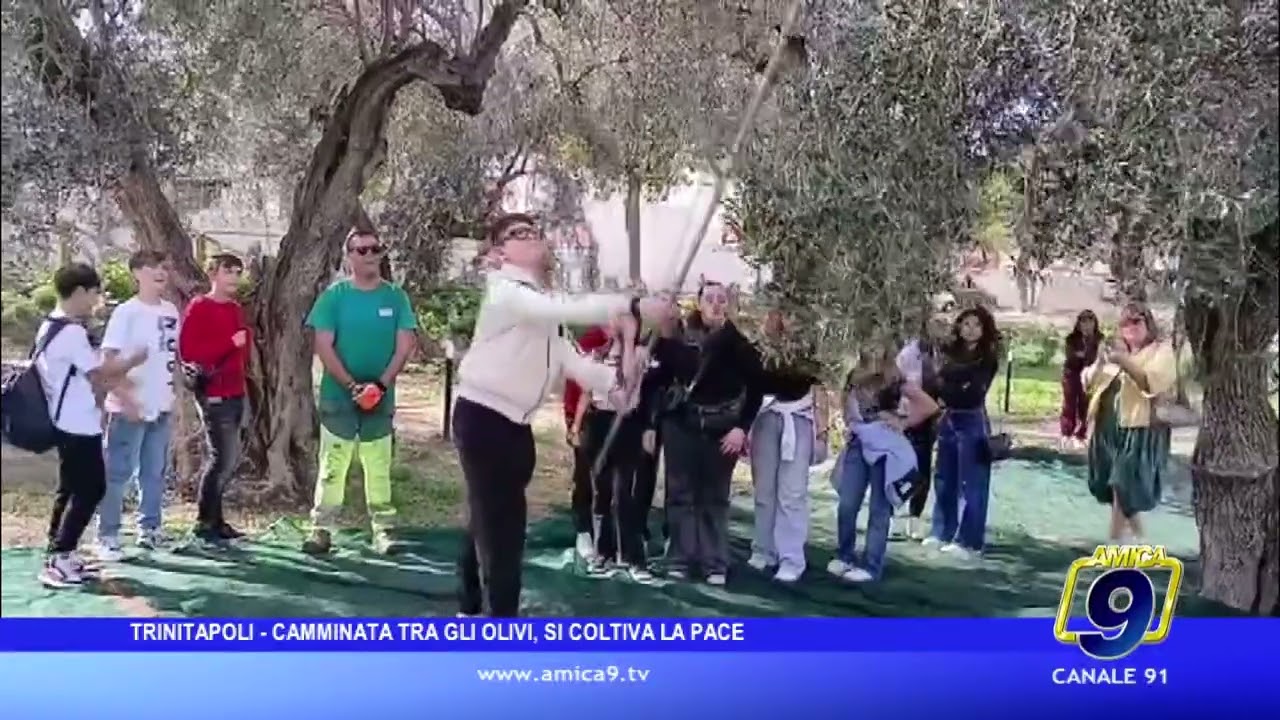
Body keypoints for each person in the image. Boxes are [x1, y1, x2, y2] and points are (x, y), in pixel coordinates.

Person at [454, 212, 668, 617]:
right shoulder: (506, 293)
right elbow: (561, 308)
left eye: (536, 232)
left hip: (515, 425)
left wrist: (617, 375)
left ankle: (469, 604)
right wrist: (633, 303)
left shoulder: (541, 308)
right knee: (504, 529)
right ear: (499, 254)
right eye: (520, 234)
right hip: (482, 418)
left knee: (488, 517)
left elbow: (574, 362)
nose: (534, 238)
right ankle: (500, 625)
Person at [301, 229, 418, 556]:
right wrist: (353, 386)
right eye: (361, 250)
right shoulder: (334, 297)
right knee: (332, 465)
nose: (369, 255)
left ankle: (384, 530)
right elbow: (323, 345)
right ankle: (322, 528)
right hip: (339, 398)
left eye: (375, 249)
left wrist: (379, 386)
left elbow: (405, 344)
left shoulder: (396, 297)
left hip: (380, 399)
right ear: (349, 256)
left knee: (378, 465)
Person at [36, 263, 145, 587]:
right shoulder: (70, 333)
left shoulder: (52, 326)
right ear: (81, 291)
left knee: (70, 488)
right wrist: (132, 361)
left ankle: (60, 553)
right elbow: (98, 375)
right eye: (95, 292)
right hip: (77, 424)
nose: (97, 299)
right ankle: (60, 558)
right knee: (91, 488)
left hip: (66, 421)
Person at [650, 281, 763, 586]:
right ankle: (680, 560)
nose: (715, 304)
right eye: (709, 298)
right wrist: (652, 423)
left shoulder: (739, 345)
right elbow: (659, 378)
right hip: (681, 425)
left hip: (721, 428)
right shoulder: (680, 339)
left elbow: (755, 389)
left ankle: (715, 563)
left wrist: (742, 428)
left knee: (714, 498)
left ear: (728, 305)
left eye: (721, 299)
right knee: (681, 496)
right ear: (698, 303)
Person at [96, 251, 181, 559]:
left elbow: (172, 359)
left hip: (161, 405)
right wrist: (126, 398)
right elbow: (108, 362)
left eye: (164, 267)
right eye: (152, 267)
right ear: (136, 273)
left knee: (154, 471)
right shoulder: (126, 313)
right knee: (117, 472)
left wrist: (172, 396)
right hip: (128, 408)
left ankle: (150, 529)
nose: (160, 273)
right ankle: (107, 534)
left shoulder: (171, 311)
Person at [828, 346, 938, 582]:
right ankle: (844, 555)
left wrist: (903, 422)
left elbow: (929, 405)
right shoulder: (854, 374)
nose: (874, 349)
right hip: (859, 444)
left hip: (887, 449)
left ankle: (871, 566)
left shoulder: (894, 379)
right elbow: (845, 403)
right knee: (847, 503)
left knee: (880, 509)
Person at [747, 308, 826, 583]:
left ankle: (791, 557)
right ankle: (764, 549)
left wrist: (823, 432)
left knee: (792, 493)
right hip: (766, 417)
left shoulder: (807, 348)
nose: (781, 318)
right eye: (775, 313)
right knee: (764, 490)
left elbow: (821, 387)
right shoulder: (757, 348)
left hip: (798, 419)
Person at [1085, 302, 1176, 542]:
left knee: (1122, 488)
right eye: (1126, 322)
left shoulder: (1160, 351)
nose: (1131, 327)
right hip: (1107, 429)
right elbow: (1089, 383)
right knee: (1113, 488)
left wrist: (1124, 362)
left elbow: (1150, 383)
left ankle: (1114, 544)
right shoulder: (1114, 351)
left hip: (1138, 428)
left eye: (1137, 321)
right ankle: (1140, 540)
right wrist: (1100, 363)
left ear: (1149, 324)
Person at [576, 305, 654, 581]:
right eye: (615, 317)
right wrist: (576, 425)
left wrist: (630, 342)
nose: (618, 322)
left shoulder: (641, 353)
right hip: (600, 424)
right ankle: (602, 554)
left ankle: (633, 558)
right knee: (602, 491)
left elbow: (631, 382)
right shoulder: (597, 354)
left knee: (625, 493)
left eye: (625, 317)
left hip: (627, 425)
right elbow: (587, 392)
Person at [179, 253, 252, 545]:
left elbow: (241, 349)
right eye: (228, 271)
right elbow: (189, 351)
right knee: (224, 457)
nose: (234, 277)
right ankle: (204, 519)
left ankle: (215, 519)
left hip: (236, 389)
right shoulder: (200, 307)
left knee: (227, 458)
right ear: (213, 274)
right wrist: (228, 344)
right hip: (214, 393)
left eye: (238, 272)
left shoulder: (235, 309)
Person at [927, 306, 1001, 559]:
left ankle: (970, 541)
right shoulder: (947, 352)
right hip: (948, 419)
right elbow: (935, 384)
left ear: (984, 330)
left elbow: (973, 392)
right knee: (945, 478)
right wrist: (951, 384)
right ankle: (941, 531)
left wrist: (950, 383)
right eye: (966, 324)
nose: (971, 329)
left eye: (977, 325)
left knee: (972, 483)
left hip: (972, 420)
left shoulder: (987, 358)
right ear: (958, 326)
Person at [894, 316, 948, 540]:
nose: (941, 326)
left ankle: (915, 519)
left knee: (924, 471)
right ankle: (888, 515)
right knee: (901, 468)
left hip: (937, 418)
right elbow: (894, 386)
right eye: (936, 320)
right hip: (910, 418)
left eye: (944, 322)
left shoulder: (946, 354)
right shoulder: (908, 354)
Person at [564, 325, 610, 561]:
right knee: (585, 472)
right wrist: (575, 422)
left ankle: (605, 533)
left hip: (614, 415)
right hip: (584, 413)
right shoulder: (592, 339)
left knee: (608, 478)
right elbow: (580, 385)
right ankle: (583, 531)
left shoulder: (633, 340)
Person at [1061, 309, 1102, 448]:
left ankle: (1082, 434)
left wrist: (1085, 356)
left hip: (1090, 375)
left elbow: (1096, 358)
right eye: (1083, 322)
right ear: (1078, 324)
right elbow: (1072, 357)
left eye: (1090, 321)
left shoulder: (1099, 339)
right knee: (1069, 404)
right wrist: (1084, 356)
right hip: (1072, 373)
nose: (1086, 325)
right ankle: (1066, 433)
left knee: (1086, 404)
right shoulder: (1072, 339)